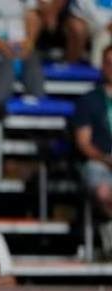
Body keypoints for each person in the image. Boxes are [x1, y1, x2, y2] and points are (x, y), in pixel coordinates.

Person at [72, 45, 112, 256]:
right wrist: (105, 158)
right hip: (99, 162)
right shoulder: (89, 101)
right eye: (109, 63)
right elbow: (83, 142)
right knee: (105, 192)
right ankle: (109, 233)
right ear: (102, 66)